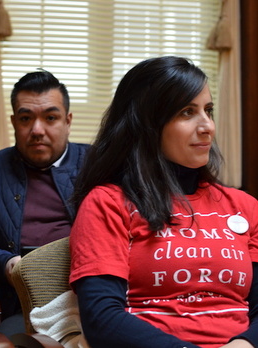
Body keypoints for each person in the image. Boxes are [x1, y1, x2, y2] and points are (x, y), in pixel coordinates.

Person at [70, 56, 258, 348]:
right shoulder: (107, 203)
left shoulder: (244, 206)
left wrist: (244, 345)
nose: (207, 126)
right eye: (187, 112)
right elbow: (101, 319)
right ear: (148, 124)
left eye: (208, 110)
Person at [0, 70, 90, 336]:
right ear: (13, 122)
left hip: (89, 299)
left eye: (50, 118)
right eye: (25, 118)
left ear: (68, 121)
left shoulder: (97, 165)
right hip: (22, 305)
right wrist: (5, 263)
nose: (37, 130)